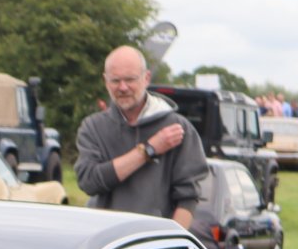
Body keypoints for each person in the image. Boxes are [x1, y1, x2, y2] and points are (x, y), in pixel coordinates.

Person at [74, 46, 207, 227]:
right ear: (105, 81)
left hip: (155, 245)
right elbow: (89, 182)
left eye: (130, 79)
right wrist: (149, 150)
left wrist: (169, 245)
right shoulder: (93, 128)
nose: (122, 87)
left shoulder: (178, 128)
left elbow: (188, 198)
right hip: (106, 243)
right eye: (115, 80)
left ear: (146, 78)